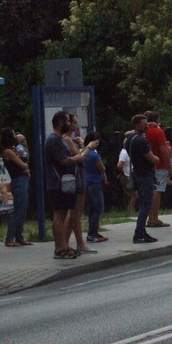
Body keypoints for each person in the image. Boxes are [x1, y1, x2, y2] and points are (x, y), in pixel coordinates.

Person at [45, 111, 86, 259]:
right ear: (61, 122)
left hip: (65, 183)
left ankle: (64, 245)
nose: (70, 124)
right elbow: (63, 160)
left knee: (63, 214)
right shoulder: (54, 140)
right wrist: (77, 158)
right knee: (60, 214)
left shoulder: (60, 139)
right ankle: (59, 248)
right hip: (58, 183)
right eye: (68, 121)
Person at [64, 114, 101, 253]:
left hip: (78, 177)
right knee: (76, 213)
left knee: (73, 213)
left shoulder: (69, 139)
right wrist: (89, 147)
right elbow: (80, 157)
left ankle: (66, 243)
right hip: (77, 177)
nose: (75, 125)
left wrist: (80, 146)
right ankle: (80, 243)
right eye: (73, 122)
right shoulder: (66, 139)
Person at [125, 114, 160, 243]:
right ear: (136, 125)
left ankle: (142, 232)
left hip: (137, 173)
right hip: (145, 175)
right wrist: (157, 158)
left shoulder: (129, 139)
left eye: (146, 123)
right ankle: (139, 232)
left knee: (144, 203)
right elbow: (152, 159)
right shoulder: (141, 140)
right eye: (143, 124)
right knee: (146, 204)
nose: (146, 125)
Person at [1, 127, 32, 247]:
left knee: (23, 209)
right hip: (18, 181)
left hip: (22, 180)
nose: (16, 136)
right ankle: (10, 238)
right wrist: (25, 168)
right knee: (18, 209)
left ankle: (19, 236)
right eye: (13, 134)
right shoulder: (8, 152)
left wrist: (25, 144)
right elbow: (23, 165)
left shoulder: (14, 149)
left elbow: (26, 159)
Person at [145, 111, 172, 227]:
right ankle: (154, 218)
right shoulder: (159, 132)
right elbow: (163, 149)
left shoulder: (145, 131)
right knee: (158, 191)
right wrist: (169, 164)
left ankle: (150, 217)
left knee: (150, 191)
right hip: (159, 164)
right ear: (157, 119)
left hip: (147, 164)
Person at [84, 131, 108, 245]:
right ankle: (92, 233)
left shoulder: (84, 152)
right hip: (95, 182)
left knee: (92, 209)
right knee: (98, 208)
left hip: (87, 181)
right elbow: (102, 169)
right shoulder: (95, 155)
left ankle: (93, 231)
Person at [117, 145, 138, 213]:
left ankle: (129, 210)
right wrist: (123, 173)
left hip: (130, 176)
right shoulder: (124, 153)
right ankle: (132, 211)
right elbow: (119, 165)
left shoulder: (128, 152)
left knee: (130, 195)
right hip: (126, 176)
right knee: (134, 195)